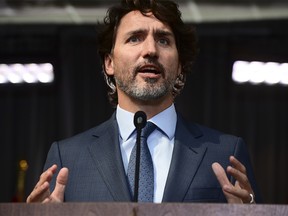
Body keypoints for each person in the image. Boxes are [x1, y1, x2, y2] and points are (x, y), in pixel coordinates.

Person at [27, 0, 260, 204]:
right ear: (109, 62)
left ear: (179, 65)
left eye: (164, 40)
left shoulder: (226, 153)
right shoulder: (67, 157)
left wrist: (251, 213)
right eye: (135, 38)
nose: (150, 50)